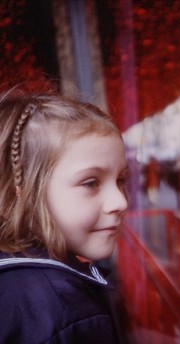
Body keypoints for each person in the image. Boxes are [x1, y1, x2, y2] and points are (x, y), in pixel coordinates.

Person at [0, 89, 128, 343]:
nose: (121, 202)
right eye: (91, 182)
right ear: (20, 193)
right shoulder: (66, 312)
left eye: (121, 179)